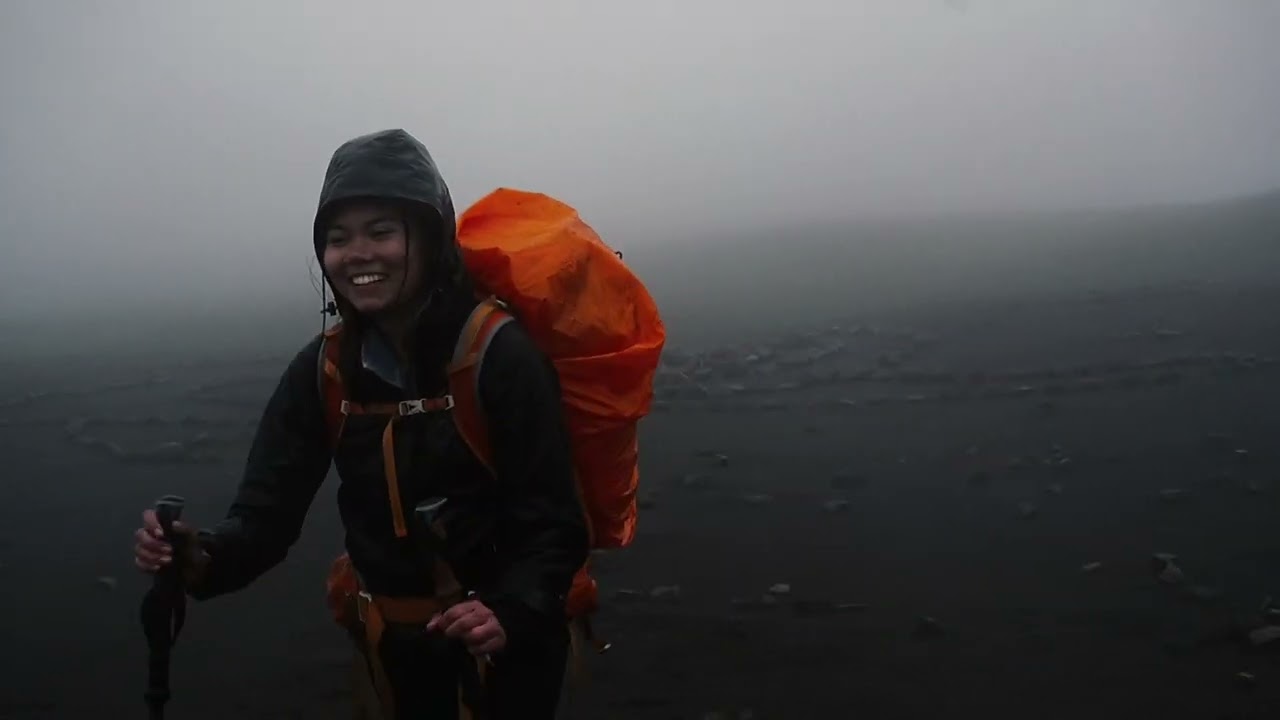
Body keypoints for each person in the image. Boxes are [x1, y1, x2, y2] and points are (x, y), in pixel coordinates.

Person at [132, 128, 591, 719]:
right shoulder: (325, 369)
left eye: (381, 232)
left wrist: (513, 608)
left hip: (504, 650)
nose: (357, 254)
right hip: (392, 649)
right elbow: (266, 516)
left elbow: (554, 521)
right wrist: (201, 556)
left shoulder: (498, 356)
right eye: (338, 238)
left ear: (428, 238)